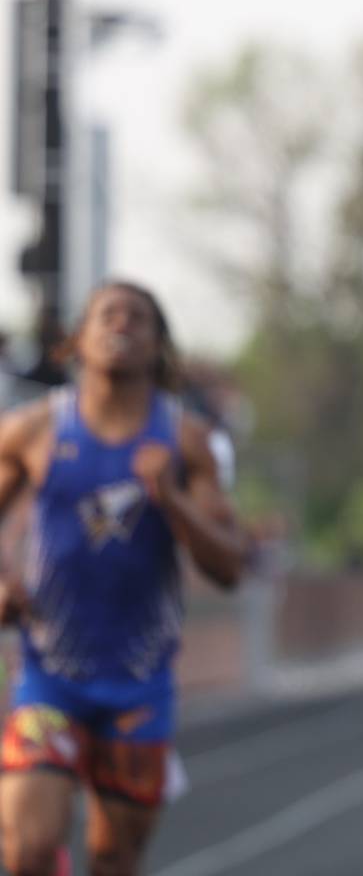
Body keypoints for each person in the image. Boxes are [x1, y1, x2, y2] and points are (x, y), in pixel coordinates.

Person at [0, 282, 247, 876]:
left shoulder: (188, 442)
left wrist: (172, 499)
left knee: (113, 859)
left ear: (158, 345)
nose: (122, 324)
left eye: (139, 318)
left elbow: (230, 566)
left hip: (139, 684)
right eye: (107, 314)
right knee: (26, 850)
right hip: (49, 676)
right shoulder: (33, 429)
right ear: (78, 339)